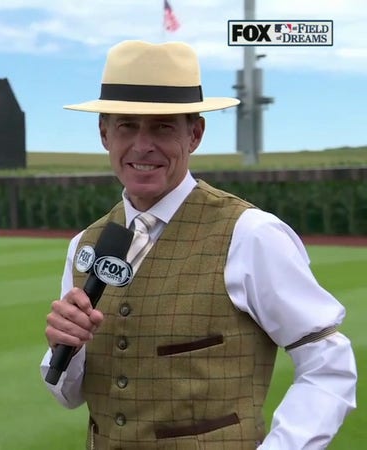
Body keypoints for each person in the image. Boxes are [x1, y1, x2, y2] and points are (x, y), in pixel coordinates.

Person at [40, 40, 356, 449]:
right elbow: (68, 394)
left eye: (163, 127)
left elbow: (328, 362)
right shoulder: (86, 243)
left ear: (195, 134)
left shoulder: (250, 234)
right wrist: (67, 348)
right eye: (126, 126)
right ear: (104, 133)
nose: (142, 145)